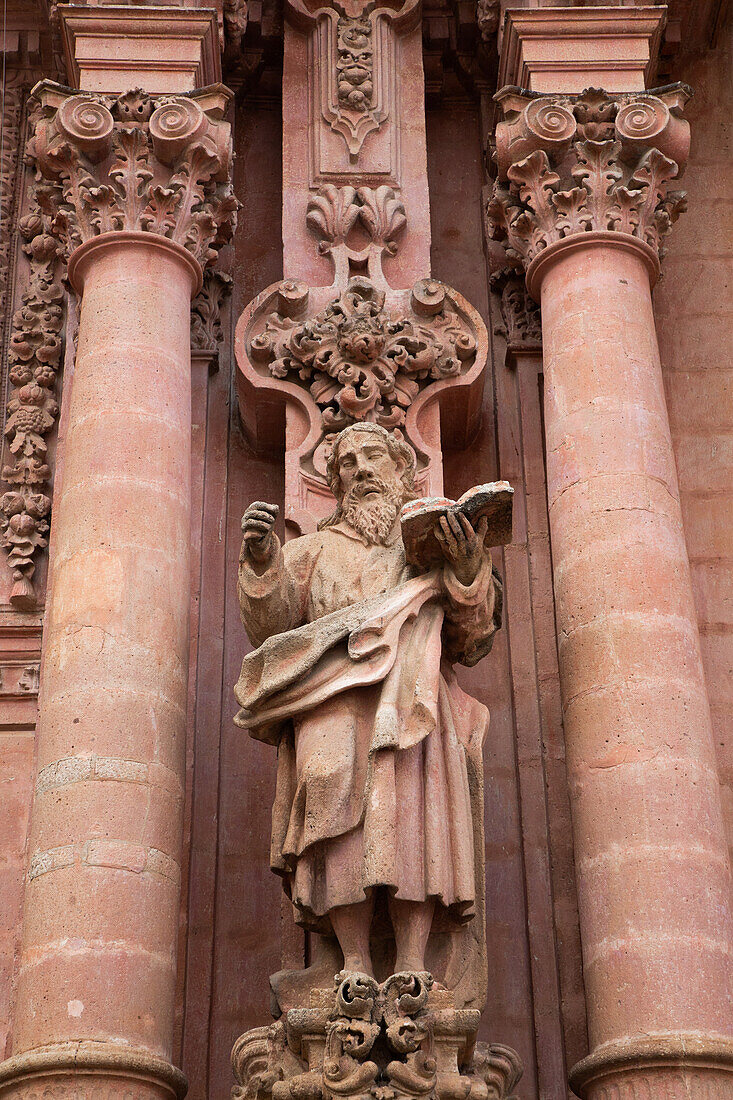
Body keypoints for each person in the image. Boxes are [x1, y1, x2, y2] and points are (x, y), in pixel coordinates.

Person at [235, 423, 502, 981]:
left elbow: (473, 639)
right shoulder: (310, 552)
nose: (360, 470)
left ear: (403, 473)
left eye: (373, 456)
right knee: (329, 794)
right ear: (334, 486)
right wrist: (264, 565)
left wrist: (467, 568)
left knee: (413, 814)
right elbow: (272, 626)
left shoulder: (426, 554)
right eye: (347, 464)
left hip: (415, 698)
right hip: (330, 700)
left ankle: (411, 962)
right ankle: (351, 959)